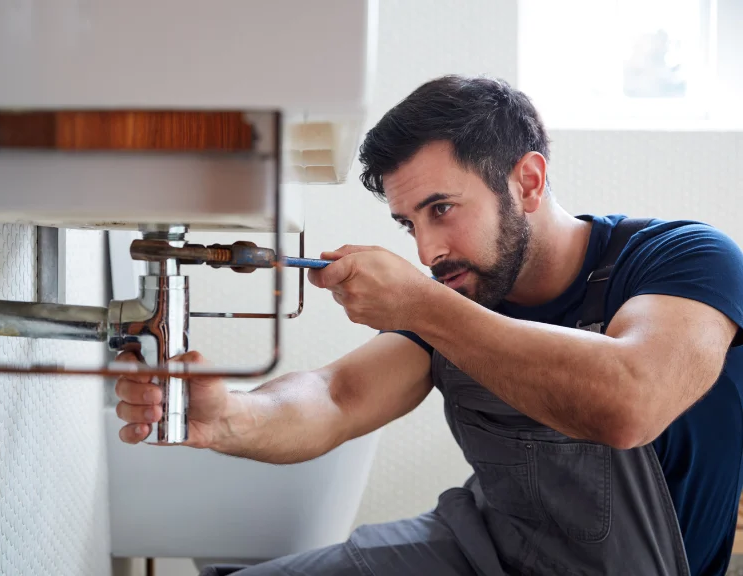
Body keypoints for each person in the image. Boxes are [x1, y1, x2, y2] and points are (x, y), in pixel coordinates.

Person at [114, 75, 743, 576]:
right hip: (472, 548)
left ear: (527, 180)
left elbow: (629, 401)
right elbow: (337, 396)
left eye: (442, 209)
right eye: (409, 223)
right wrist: (229, 416)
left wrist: (421, 305)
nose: (427, 251)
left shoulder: (685, 260)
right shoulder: (461, 290)